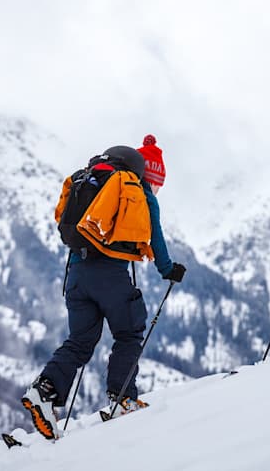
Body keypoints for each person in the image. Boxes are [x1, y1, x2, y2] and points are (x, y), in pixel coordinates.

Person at [22, 145, 186, 439]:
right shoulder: (138, 191)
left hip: (75, 276)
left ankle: (44, 390)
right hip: (109, 275)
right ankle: (123, 398)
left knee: (81, 341)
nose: (155, 190)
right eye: (157, 184)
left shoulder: (93, 182)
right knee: (130, 331)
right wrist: (167, 269)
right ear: (149, 176)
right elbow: (156, 236)